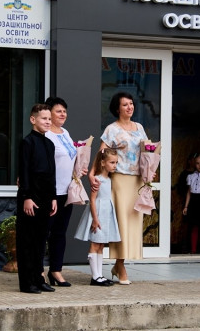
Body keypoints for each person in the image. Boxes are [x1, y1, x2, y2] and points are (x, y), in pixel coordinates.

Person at [89, 92, 148, 285]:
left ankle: (120, 263)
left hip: (137, 181)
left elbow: (147, 152)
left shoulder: (139, 127)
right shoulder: (112, 129)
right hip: (120, 181)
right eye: (125, 105)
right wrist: (92, 173)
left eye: (131, 104)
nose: (130, 107)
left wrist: (150, 170)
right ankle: (120, 265)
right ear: (117, 108)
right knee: (121, 223)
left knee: (133, 224)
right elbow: (101, 154)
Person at [16, 103, 58, 294]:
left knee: (41, 241)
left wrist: (53, 198)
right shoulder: (27, 142)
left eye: (49, 119)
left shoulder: (49, 144)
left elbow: (52, 173)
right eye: (44, 118)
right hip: (30, 198)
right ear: (33, 119)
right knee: (27, 240)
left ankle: (38, 278)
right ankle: (27, 283)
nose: (48, 122)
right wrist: (26, 196)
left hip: (46, 198)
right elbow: (24, 171)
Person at [44, 96, 84, 287]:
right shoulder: (45, 135)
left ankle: (56, 271)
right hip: (50, 192)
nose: (63, 114)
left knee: (60, 233)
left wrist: (79, 168)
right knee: (43, 233)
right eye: (58, 111)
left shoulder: (65, 133)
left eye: (65, 111)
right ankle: (38, 271)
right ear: (49, 113)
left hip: (66, 192)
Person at [74, 148, 121, 286]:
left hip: (106, 213)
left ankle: (99, 275)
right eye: (112, 162)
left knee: (101, 245)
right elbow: (93, 200)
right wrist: (95, 219)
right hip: (98, 213)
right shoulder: (98, 180)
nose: (115, 165)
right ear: (103, 163)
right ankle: (95, 277)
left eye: (116, 163)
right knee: (95, 244)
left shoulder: (109, 179)